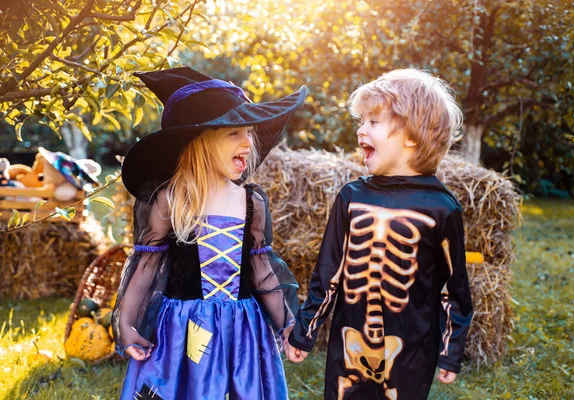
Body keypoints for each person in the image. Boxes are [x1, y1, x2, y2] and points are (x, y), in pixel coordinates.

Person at [111, 67, 307, 399]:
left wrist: (287, 324)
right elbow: (145, 267)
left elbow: (261, 270)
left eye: (249, 132)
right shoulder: (170, 200)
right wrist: (126, 324)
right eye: (234, 133)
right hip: (182, 332)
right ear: (200, 140)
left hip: (241, 333)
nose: (248, 141)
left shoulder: (250, 202)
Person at [285, 69, 473, 400]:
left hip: (412, 350)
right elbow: (329, 273)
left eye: (373, 122)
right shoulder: (351, 197)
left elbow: (453, 288)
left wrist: (450, 348)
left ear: (412, 136)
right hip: (349, 345)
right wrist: (305, 329)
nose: (361, 130)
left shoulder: (442, 208)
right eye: (362, 121)